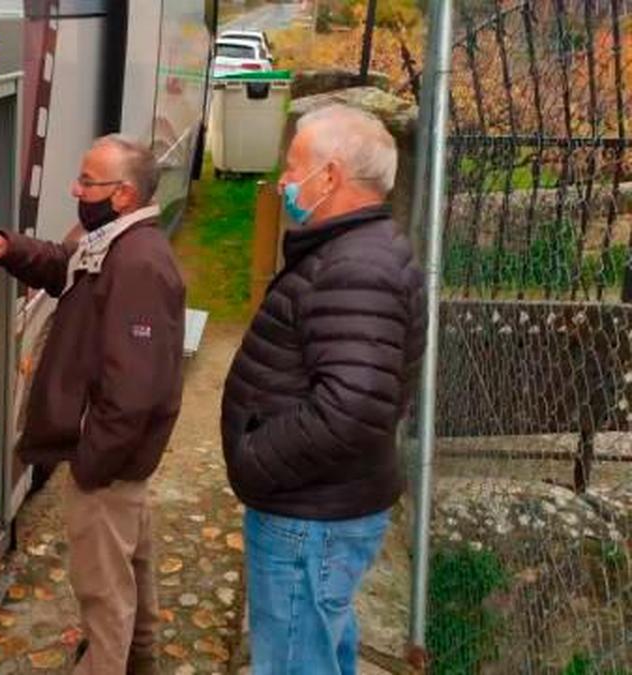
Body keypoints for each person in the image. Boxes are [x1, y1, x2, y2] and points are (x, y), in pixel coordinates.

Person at [0, 134, 185, 675]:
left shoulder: (139, 265)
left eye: (87, 181)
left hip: (108, 467)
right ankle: (143, 660)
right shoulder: (116, 241)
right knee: (132, 565)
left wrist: (90, 464)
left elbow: (134, 391)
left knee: (103, 593)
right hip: (117, 464)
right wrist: (12, 248)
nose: (75, 188)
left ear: (124, 194)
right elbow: (67, 269)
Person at [219, 105, 427, 675]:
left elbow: (352, 408)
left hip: (307, 518)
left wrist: (256, 456)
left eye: (293, 168)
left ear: (330, 176)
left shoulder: (356, 267)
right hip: (319, 508)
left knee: (290, 662)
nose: (284, 183)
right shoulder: (355, 251)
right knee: (320, 643)